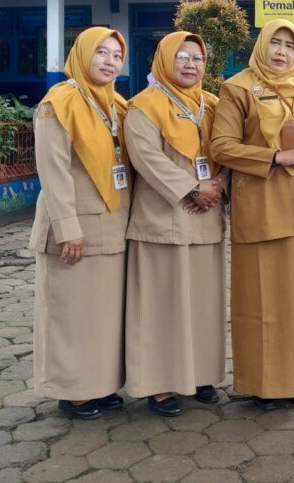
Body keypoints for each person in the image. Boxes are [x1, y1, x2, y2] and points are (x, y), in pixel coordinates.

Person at [210, 19, 294, 410]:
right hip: (262, 211)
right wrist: (275, 156)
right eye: (274, 43)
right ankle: (263, 385)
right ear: (261, 45)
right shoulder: (238, 87)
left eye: (289, 45)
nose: (281, 52)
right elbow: (222, 147)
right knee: (262, 303)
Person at [122, 32, 227, 417]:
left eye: (197, 58)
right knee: (161, 306)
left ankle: (200, 376)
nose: (190, 64)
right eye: (182, 57)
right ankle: (160, 384)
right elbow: (145, 157)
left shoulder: (213, 104)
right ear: (165, 59)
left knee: (203, 305)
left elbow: (228, 150)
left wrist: (219, 184)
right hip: (162, 219)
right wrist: (192, 188)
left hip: (206, 219)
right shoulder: (143, 106)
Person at [30, 27, 130, 421]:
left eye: (117, 55)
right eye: (101, 52)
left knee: (101, 314)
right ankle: (72, 392)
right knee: (70, 313)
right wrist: (67, 227)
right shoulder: (59, 102)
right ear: (82, 54)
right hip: (73, 229)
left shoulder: (117, 104)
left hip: (111, 225)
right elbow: (53, 170)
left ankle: (98, 385)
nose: (109, 61)